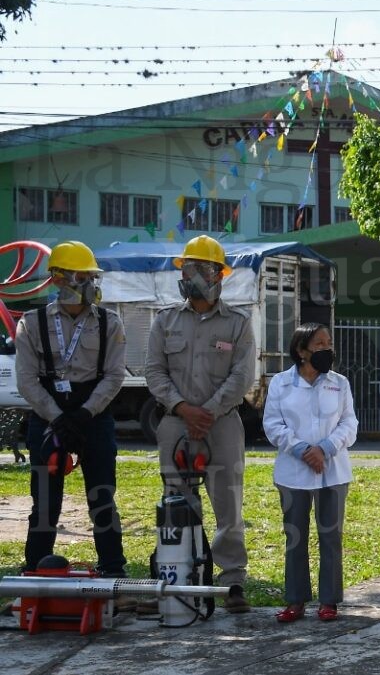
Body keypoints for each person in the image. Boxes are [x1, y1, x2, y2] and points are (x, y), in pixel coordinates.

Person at [144, 235, 256, 613]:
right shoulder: (165, 321)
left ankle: (232, 581)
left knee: (228, 503)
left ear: (219, 276)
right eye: (187, 269)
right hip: (175, 423)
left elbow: (242, 375)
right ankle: (185, 575)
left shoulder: (238, 324)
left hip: (222, 424)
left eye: (200, 269)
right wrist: (182, 408)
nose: (192, 276)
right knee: (179, 502)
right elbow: (154, 372)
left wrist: (206, 411)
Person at [14, 241, 128, 575]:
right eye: (82, 276)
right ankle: (34, 571)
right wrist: (57, 417)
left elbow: (114, 376)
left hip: (93, 416)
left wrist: (83, 414)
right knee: (45, 504)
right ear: (59, 280)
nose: (90, 284)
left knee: (102, 498)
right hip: (48, 418)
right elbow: (27, 381)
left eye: (92, 276)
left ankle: (113, 570)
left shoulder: (110, 323)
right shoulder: (32, 324)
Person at [263, 323, 358, 623]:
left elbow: (349, 423)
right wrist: (304, 450)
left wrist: (326, 448)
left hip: (333, 470)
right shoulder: (280, 383)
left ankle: (329, 601)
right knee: (295, 537)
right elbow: (273, 425)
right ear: (302, 350)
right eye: (319, 343)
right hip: (293, 472)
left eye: (329, 342)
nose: (327, 349)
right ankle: (296, 601)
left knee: (331, 537)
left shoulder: (339, 383)